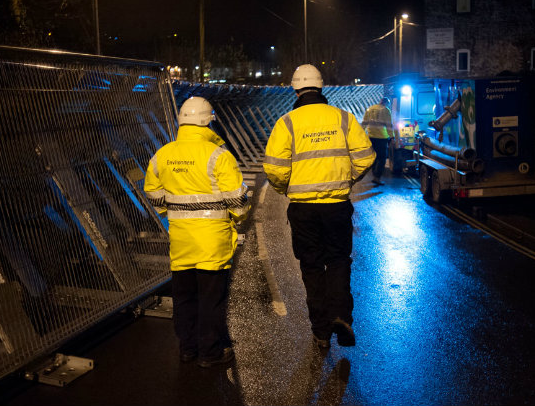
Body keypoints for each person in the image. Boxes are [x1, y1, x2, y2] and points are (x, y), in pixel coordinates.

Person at [263, 64, 375, 348]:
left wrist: (285, 188)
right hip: (336, 205)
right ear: (321, 87)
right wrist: (346, 179)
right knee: (338, 260)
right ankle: (341, 316)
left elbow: (274, 169)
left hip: (303, 209)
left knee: (312, 267)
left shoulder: (287, 122)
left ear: (295, 89)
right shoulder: (343, 118)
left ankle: (321, 331)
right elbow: (366, 156)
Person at [144, 96, 250, 368]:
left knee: (184, 298)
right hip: (212, 242)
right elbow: (237, 199)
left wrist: (170, 214)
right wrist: (237, 220)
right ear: (207, 122)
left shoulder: (163, 154)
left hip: (181, 240)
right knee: (211, 299)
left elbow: (153, 192)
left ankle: (187, 349)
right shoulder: (218, 155)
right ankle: (210, 352)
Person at [361, 97, 395, 185]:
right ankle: (377, 177)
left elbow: (364, 123)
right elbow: (389, 125)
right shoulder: (386, 110)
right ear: (386, 103)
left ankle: (374, 175)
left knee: (374, 157)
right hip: (382, 138)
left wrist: (361, 135)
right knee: (382, 158)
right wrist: (392, 137)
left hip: (371, 137)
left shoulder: (370, 109)